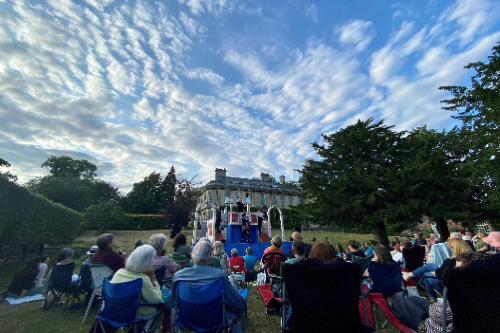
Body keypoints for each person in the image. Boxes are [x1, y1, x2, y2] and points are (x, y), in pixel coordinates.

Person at [172, 241, 247, 333]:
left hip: (187, 319)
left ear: (192, 256)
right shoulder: (219, 276)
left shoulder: (178, 277)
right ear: (210, 256)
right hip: (214, 319)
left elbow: (173, 302)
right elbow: (239, 303)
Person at [402, 239, 472, 302]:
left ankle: (432, 298)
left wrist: (435, 273)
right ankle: (409, 275)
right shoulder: (473, 258)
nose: (451, 250)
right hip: (463, 282)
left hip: (447, 285)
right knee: (430, 265)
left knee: (426, 273)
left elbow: (441, 274)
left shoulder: (451, 261)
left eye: (452, 249)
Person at [110, 245, 163, 317]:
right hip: (135, 314)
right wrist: (153, 278)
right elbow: (157, 300)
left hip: (116, 312)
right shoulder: (142, 279)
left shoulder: (119, 273)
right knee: (166, 303)